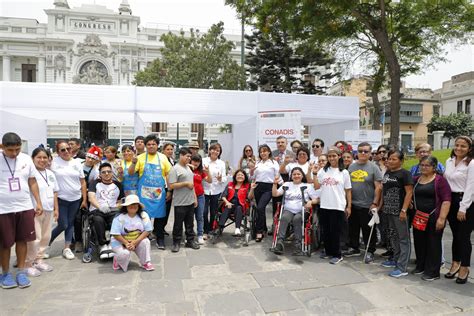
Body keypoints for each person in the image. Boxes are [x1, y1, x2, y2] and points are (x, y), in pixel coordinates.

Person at [0, 133, 43, 289]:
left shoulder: (25, 159)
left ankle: (21, 271)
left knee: (22, 240)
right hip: (3, 209)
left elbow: (32, 181)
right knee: (5, 243)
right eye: (10, 150)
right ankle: (4, 273)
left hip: (24, 206)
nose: (14, 153)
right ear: (2, 147)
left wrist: (38, 201)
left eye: (17, 149)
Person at [128, 134, 171, 250]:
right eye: (149, 144)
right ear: (146, 146)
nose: (151, 146)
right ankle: (142, 239)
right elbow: (131, 172)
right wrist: (133, 162)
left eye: (153, 144)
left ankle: (160, 237)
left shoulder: (163, 157)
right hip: (144, 194)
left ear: (157, 145)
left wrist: (169, 190)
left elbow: (168, 175)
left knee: (160, 217)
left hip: (159, 193)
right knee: (143, 216)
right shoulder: (140, 157)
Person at [412, 156, 451, 281]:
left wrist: (442, 218)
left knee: (433, 244)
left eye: (427, 165)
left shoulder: (440, 181)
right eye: (422, 165)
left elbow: (446, 200)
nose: (423, 167)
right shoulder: (416, 179)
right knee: (419, 242)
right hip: (419, 217)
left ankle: (433, 272)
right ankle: (421, 266)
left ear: (434, 167)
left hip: (434, 216)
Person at [312, 146, 351, 265]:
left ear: (339, 156)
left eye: (334, 155)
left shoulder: (343, 172)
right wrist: (314, 173)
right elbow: (317, 186)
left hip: (338, 205)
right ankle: (328, 251)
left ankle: (337, 254)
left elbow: (348, 190)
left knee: (336, 231)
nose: (331, 158)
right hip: (324, 205)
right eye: (329, 156)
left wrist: (349, 206)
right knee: (326, 230)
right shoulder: (323, 171)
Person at [49, 140, 87, 260]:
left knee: (70, 224)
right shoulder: (53, 163)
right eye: (63, 150)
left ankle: (67, 248)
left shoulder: (76, 163)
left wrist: (84, 199)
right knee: (63, 224)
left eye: (68, 149)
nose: (66, 151)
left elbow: (82, 181)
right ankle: (45, 244)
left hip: (75, 199)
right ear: (58, 152)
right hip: (61, 199)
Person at [345, 142, 382, 264]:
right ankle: (354, 248)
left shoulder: (374, 167)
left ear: (370, 153)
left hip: (368, 205)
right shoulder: (351, 167)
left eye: (366, 151)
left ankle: (370, 251)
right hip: (353, 204)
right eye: (360, 151)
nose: (363, 153)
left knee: (368, 230)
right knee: (353, 228)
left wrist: (375, 203)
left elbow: (378, 187)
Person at [379, 149, 414, 278]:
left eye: (394, 159)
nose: (390, 161)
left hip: (399, 212)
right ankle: (395, 258)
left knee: (403, 239)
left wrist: (404, 210)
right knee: (393, 237)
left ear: (401, 161)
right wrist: (380, 206)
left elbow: (409, 193)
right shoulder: (387, 173)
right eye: (389, 158)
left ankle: (402, 267)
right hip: (387, 211)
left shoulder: (405, 174)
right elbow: (384, 191)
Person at [444, 136, 473, 284]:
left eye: (463, 146)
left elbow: (470, 187)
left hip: (466, 203)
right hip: (451, 201)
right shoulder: (449, 161)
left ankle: (465, 267)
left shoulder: (471, 163)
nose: (459, 148)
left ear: (469, 148)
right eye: (457, 145)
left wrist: (463, 208)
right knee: (456, 235)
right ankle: (455, 262)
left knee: (464, 236)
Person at [25, 148, 59, 277]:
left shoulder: (50, 173)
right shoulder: (30, 174)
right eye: (39, 157)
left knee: (46, 237)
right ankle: (29, 263)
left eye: (45, 157)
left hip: (49, 209)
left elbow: (55, 191)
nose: (42, 160)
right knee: (34, 238)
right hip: (35, 210)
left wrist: (56, 209)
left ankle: (39, 259)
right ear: (32, 158)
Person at [272, 167, 317, 256]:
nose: (296, 176)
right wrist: (274, 184)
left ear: (302, 175)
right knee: (284, 217)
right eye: (294, 174)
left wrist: (311, 202)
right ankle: (280, 243)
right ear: (291, 176)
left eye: (298, 174)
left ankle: (298, 245)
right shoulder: (287, 184)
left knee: (297, 219)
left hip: (302, 211)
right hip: (288, 210)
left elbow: (317, 199)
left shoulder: (307, 186)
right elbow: (275, 194)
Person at [88, 162, 124, 259]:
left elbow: (121, 201)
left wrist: (116, 207)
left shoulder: (118, 185)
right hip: (97, 209)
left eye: (109, 172)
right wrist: (100, 207)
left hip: (113, 210)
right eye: (103, 172)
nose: (106, 174)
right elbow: (91, 198)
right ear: (100, 174)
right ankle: (102, 245)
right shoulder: (95, 183)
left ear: (112, 173)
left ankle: (113, 244)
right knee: (98, 220)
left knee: (116, 219)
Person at [110, 194, 154, 272]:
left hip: (137, 239)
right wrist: (126, 243)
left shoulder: (144, 215)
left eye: (135, 204)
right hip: (120, 241)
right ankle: (118, 259)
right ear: (126, 206)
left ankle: (146, 262)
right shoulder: (119, 217)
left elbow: (148, 230)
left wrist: (135, 242)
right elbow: (115, 233)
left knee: (146, 242)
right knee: (124, 254)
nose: (133, 206)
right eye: (130, 204)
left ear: (138, 206)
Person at [168, 148, 200, 252]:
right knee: (178, 224)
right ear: (181, 156)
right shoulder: (175, 169)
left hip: (190, 200)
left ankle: (190, 241)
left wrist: (195, 198)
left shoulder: (188, 168)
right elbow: (171, 185)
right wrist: (185, 184)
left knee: (190, 223)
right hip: (180, 202)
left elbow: (192, 184)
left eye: (190, 156)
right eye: (187, 156)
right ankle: (176, 242)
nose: (189, 158)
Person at [250, 144, 280, 242]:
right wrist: (251, 171)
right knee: (260, 210)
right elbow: (252, 177)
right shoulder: (257, 163)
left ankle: (259, 231)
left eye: (265, 151)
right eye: (261, 151)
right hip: (258, 187)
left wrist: (282, 185)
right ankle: (264, 229)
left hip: (269, 187)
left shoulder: (274, 162)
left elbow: (277, 176)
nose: (263, 153)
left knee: (260, 207)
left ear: (269, 152)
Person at [202, 143, 227, 239]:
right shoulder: (204, 161)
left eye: (218, 150)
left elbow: (224, 178)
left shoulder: (221, 163)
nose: (215, 152)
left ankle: (211, 229)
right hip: (204, 190)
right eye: (213, 149)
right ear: (209, 150)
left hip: (216, 190)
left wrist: (220, 178)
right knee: (204, 212)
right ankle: (205, 230)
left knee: (213, 212)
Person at [219, 169, 252, 236]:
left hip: (241, 206)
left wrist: (252, 189)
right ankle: (220, 226)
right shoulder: (230, 184)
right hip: (229, 205)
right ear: (235, 176)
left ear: (245, 177)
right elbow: (223, 196)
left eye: (242, 175)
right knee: (228, 207)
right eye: (238, 175)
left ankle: (237, 229)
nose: (240, 176)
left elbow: (249, 197)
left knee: (239, 208)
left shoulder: (247, 186)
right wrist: (227, 202)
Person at [190, 154, 210, 245]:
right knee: (189, 217)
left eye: (198, 161)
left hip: (200, 196)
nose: (196, 163)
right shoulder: (187, 169)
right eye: (194, 160)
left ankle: (200, 235)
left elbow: (209, 180)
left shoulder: (201, 171)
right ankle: (190, 235)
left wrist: (208, 171)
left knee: (200, 216)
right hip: (189, 196)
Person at [161, 142, 176, 238]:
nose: (170, 151)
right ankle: (158, 229)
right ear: (163, 151)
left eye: (171, 149)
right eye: (168, 149)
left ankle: (162, 228)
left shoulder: (172, 160)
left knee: (167, 210)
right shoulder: (162, 160)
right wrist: (169, 190)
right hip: (164, 187)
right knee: (163, 210)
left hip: (170, 187)